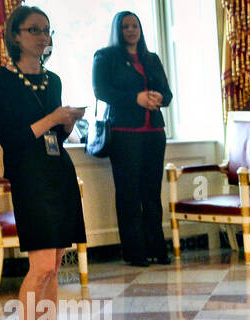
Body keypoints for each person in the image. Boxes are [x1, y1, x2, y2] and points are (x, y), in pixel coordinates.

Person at [0, 5, 93, 320]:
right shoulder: (1, 83)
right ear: (15, 35)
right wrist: (54, 117)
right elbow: (13, 140)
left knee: (56, 261)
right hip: (29, 176)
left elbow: (55, 137)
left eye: (47, 30)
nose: (42, 36)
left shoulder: (53, 80)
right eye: (34, 30)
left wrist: (67, 123)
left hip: (57, 170)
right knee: (42, 263)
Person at [92, 11, 172, 268]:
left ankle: (156, 248)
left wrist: (159, 98)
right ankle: (135, 252)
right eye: (125, 26)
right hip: (125, 134)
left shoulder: (152, 58)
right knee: (129, 194)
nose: (130, 30)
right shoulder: (105, 57)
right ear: (118, 30)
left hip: (154, 134)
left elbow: (168, 94)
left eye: (134, 25)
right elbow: (101, 90)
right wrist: (135, 98)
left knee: (152, 193)